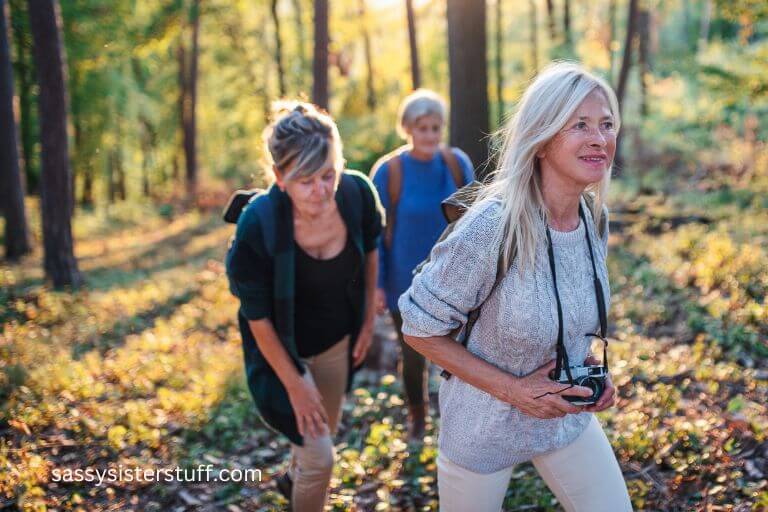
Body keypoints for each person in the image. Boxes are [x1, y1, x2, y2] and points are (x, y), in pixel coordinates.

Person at [397, 62, 633, 512]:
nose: (599, 138)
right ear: (542, 139)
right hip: (481, 431)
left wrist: (589, 370)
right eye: (579, 125)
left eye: (606, 124)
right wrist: (514, 390)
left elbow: (570, 312)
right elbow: (416, 326)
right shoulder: (492, 225)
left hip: (564, 419)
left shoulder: (592, 219)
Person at [225, 101, 383, 512]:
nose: (321, 190)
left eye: (328, 174)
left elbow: (370, 253)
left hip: (336, 340)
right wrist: (296, 383)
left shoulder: (356, 194)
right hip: (280, 349)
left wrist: (367, 321)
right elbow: (256, 317)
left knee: (320, 432)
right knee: (320, 458)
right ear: (279, 177)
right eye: (306, 181)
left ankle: (292, 481)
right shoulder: (258, 224)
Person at [370, 89, 474, 441]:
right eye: (422, 128)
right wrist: (377, 285)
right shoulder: (389, 172)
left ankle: (457, 420)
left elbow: (476, 221)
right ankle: (417, 417)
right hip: (405, 282)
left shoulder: (457, 164)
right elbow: (374, 234)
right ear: (408, 129)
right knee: (414, 354)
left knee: (459, 355)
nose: (430, 135)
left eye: (435, 127)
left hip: (454, 279)